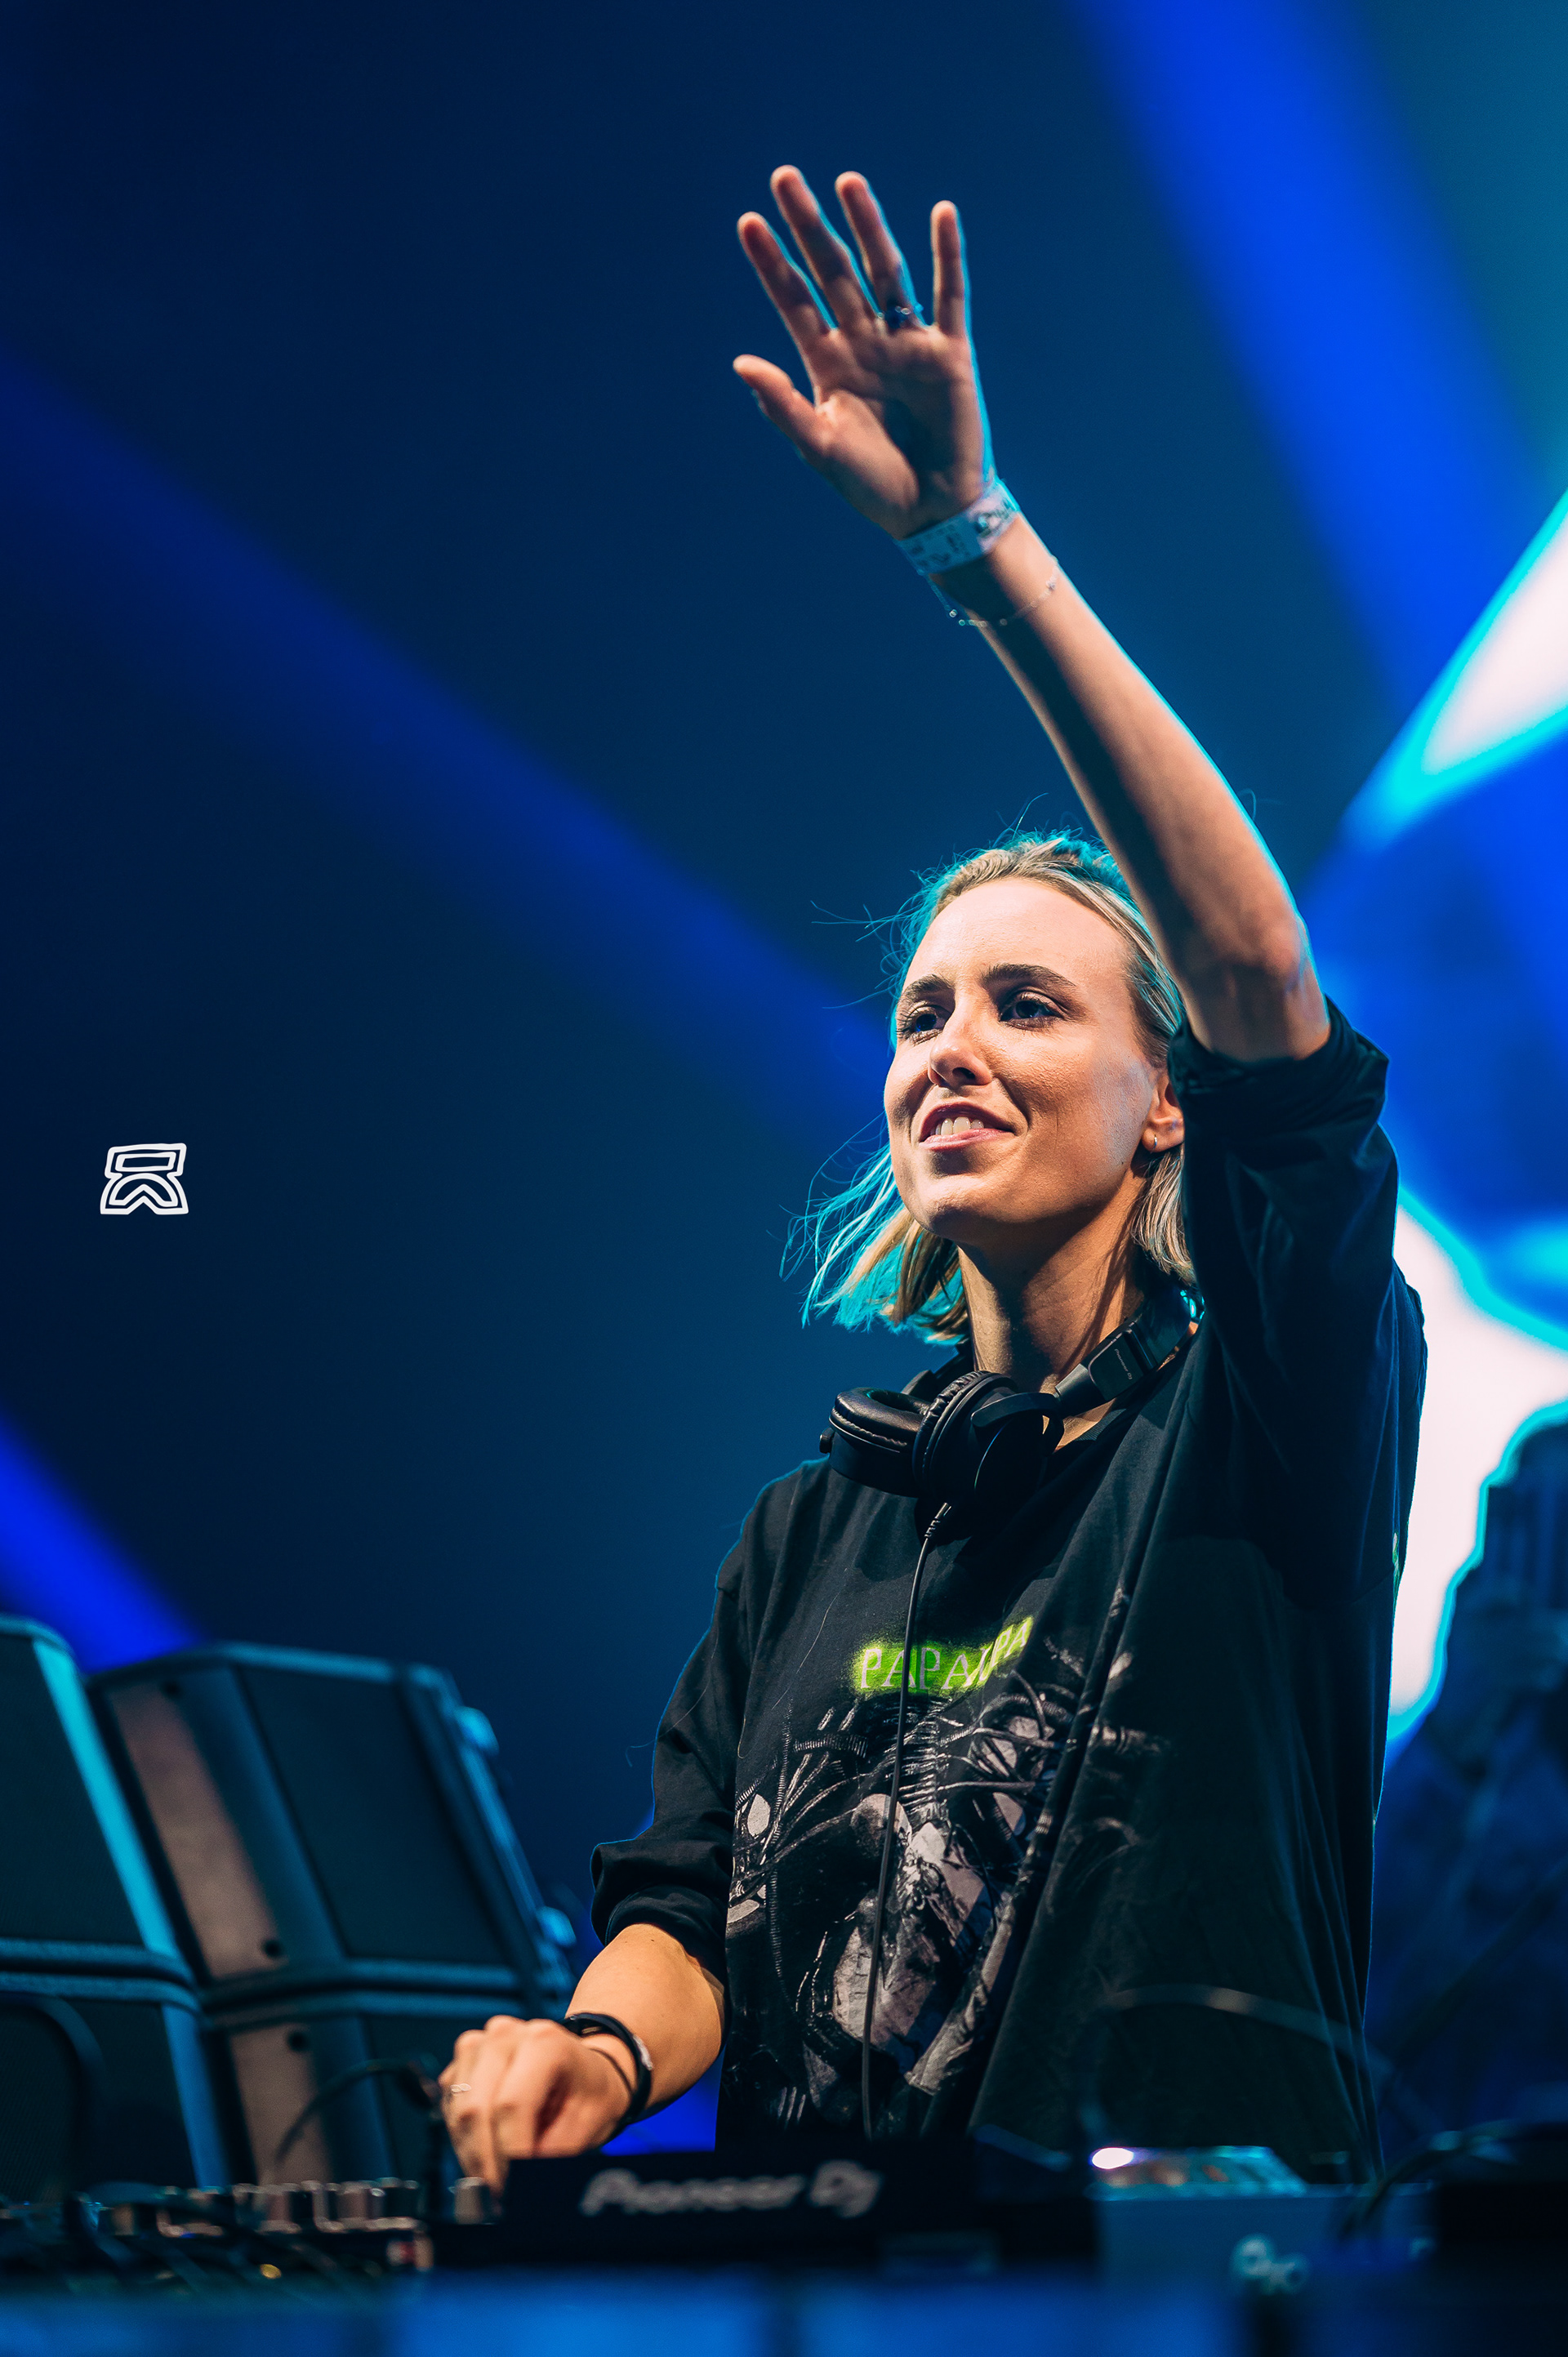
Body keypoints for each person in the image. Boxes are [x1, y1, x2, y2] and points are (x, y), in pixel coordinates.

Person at [440, 166, 1425, 2185]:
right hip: (841, 2295)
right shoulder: (815, 1531)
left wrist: (972, 543)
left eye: (1029, 1006)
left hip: (1181, 2303)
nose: (950, 1047)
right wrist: (596, 2053)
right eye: (920, 1012)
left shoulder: (1271, 1416)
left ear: (1170, 1099)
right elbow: (690, 1909)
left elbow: (1260, 980)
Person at [1369, 1415, 1568, 2150]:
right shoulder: (1440, 1763)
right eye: (1542, 1520)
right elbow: (1362, 1984)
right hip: (1433, 2168)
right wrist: (1457, 1730)